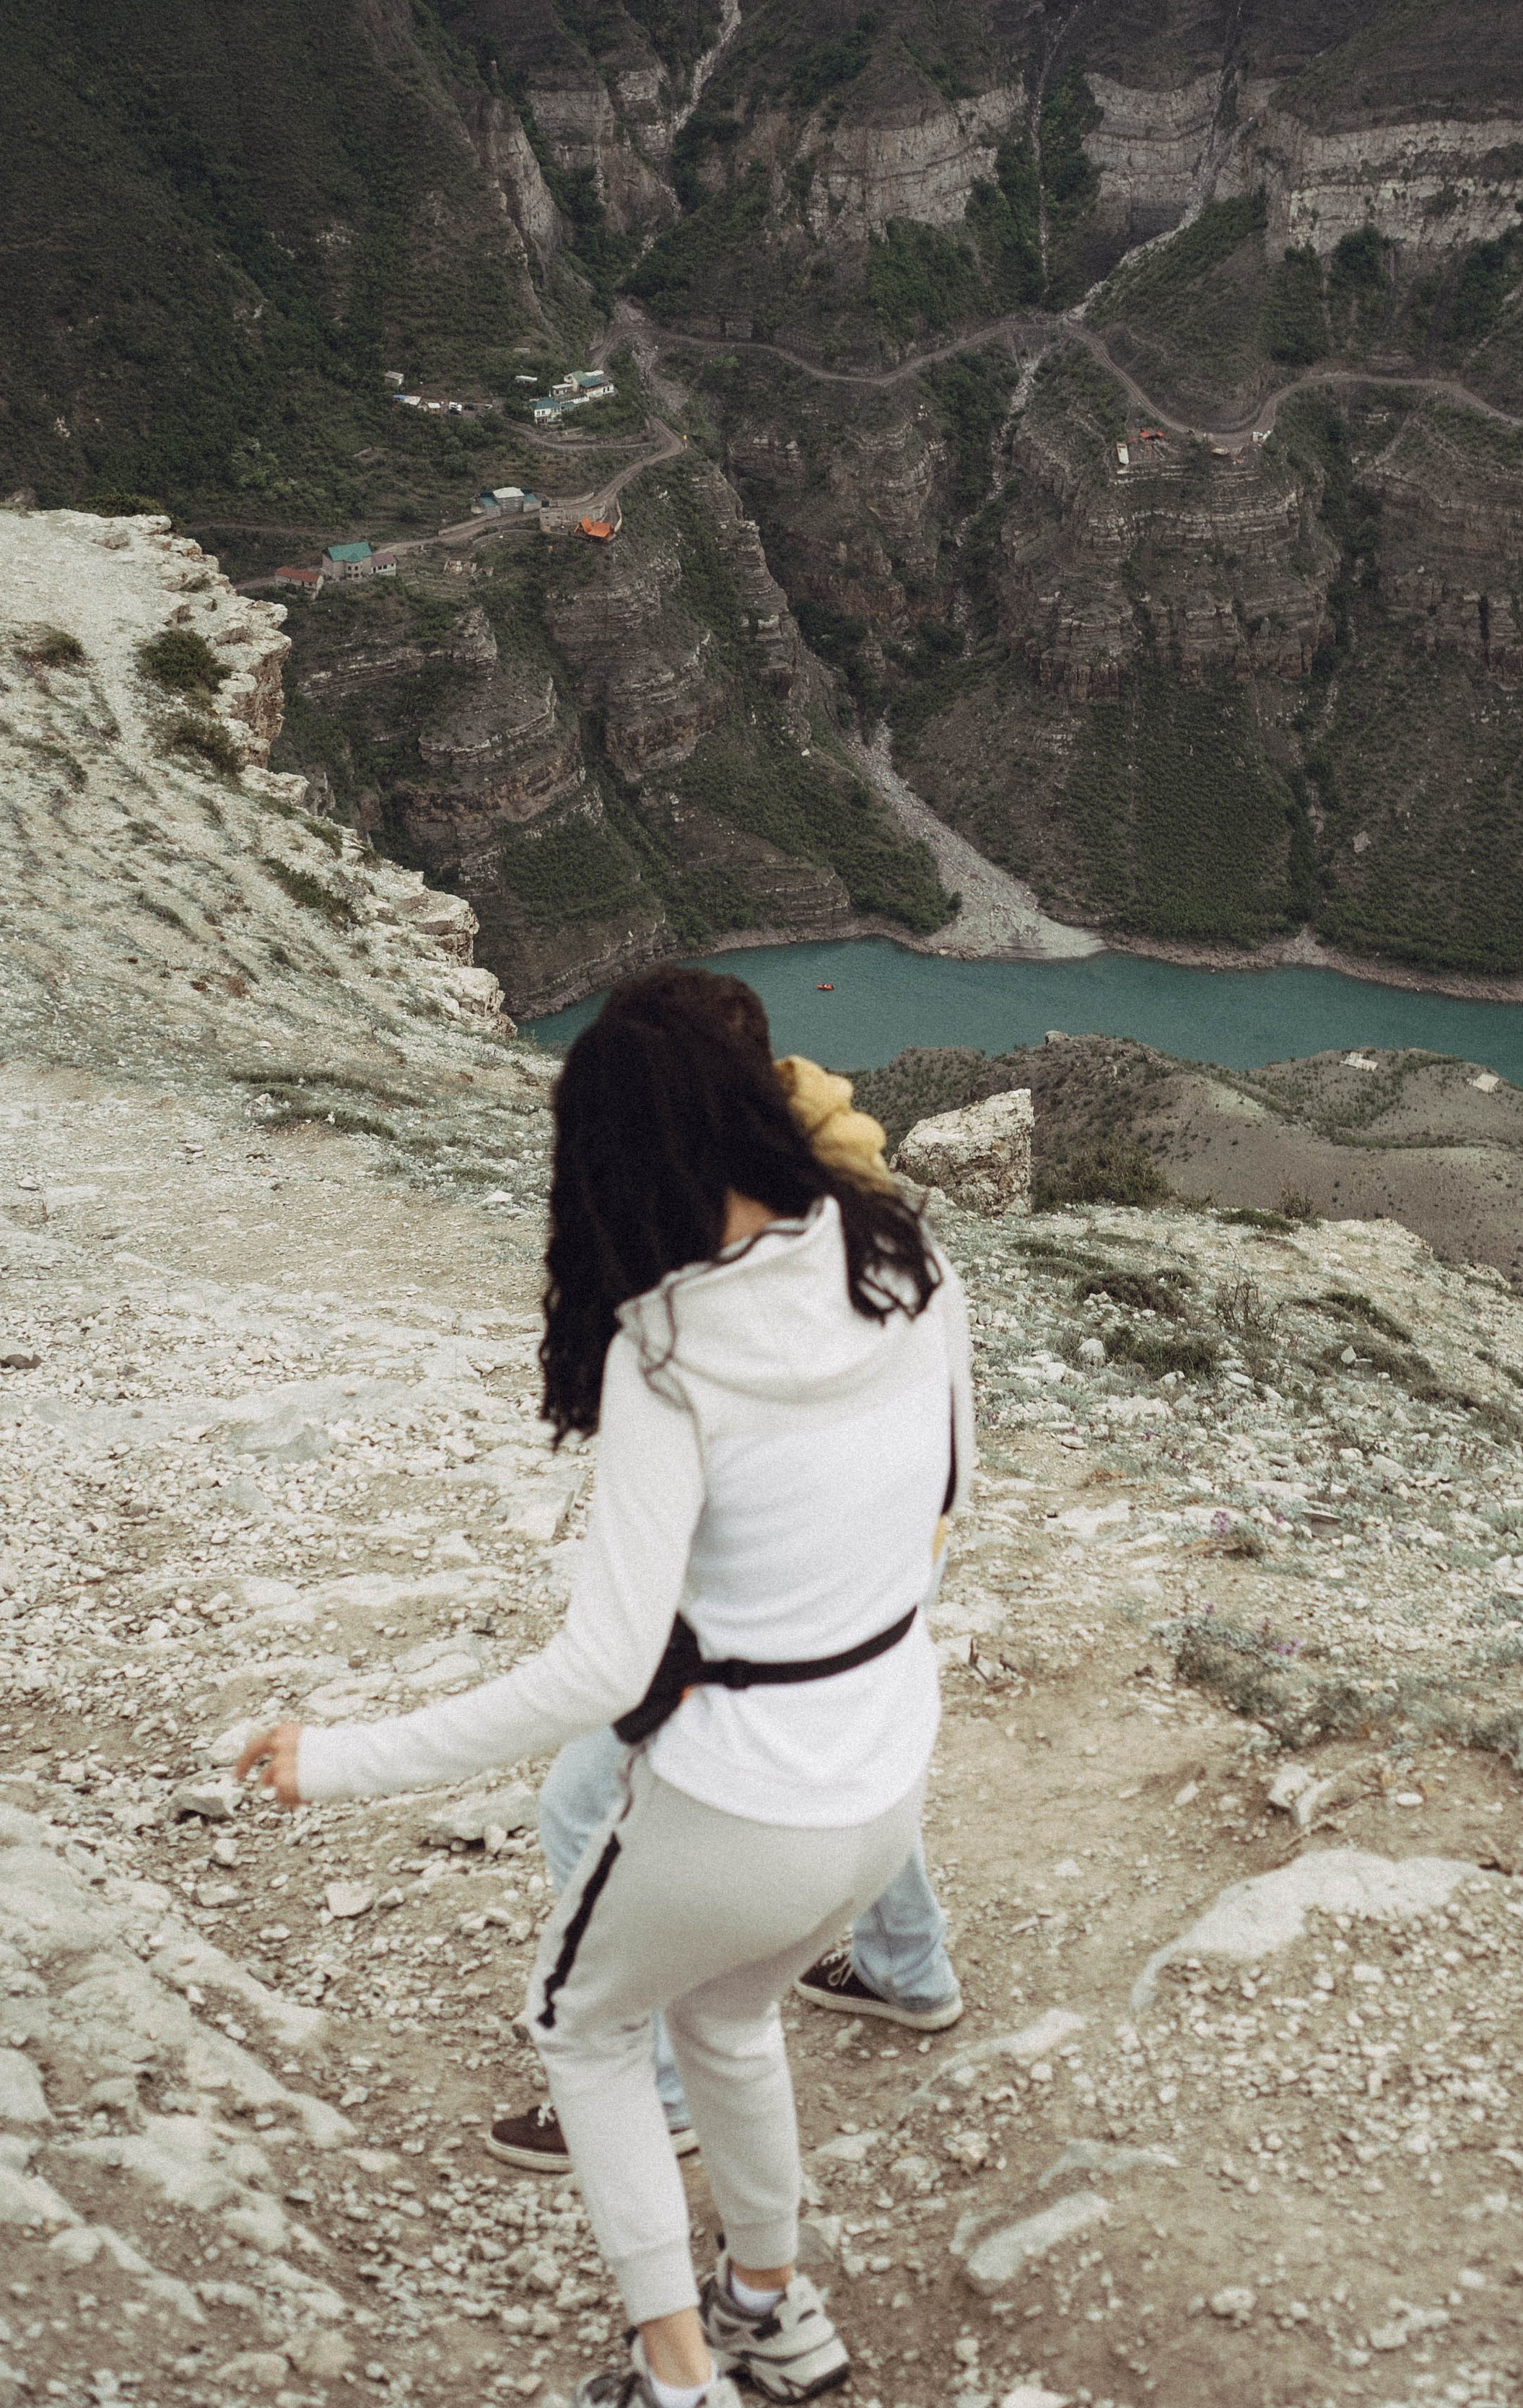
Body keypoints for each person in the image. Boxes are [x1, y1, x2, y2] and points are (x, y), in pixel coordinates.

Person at [238, 966, 974, 2408]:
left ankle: (676, 2375)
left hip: (733, 1803)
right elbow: (948, 1493)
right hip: (884, 1774)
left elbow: (598, 1667)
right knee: (726, 2022)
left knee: (585, 2029)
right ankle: (772, 2308)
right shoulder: (907, 1262)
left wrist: (336, 1760)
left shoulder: (669, 1350)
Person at [488, 1010, 964, 2181]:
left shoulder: (710, 1207)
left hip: (797, 1576)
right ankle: (908, 1971)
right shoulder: (841, 1177)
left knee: (576, 1803)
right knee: (851, 1738)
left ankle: (650, 2093)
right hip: (893, 1549)